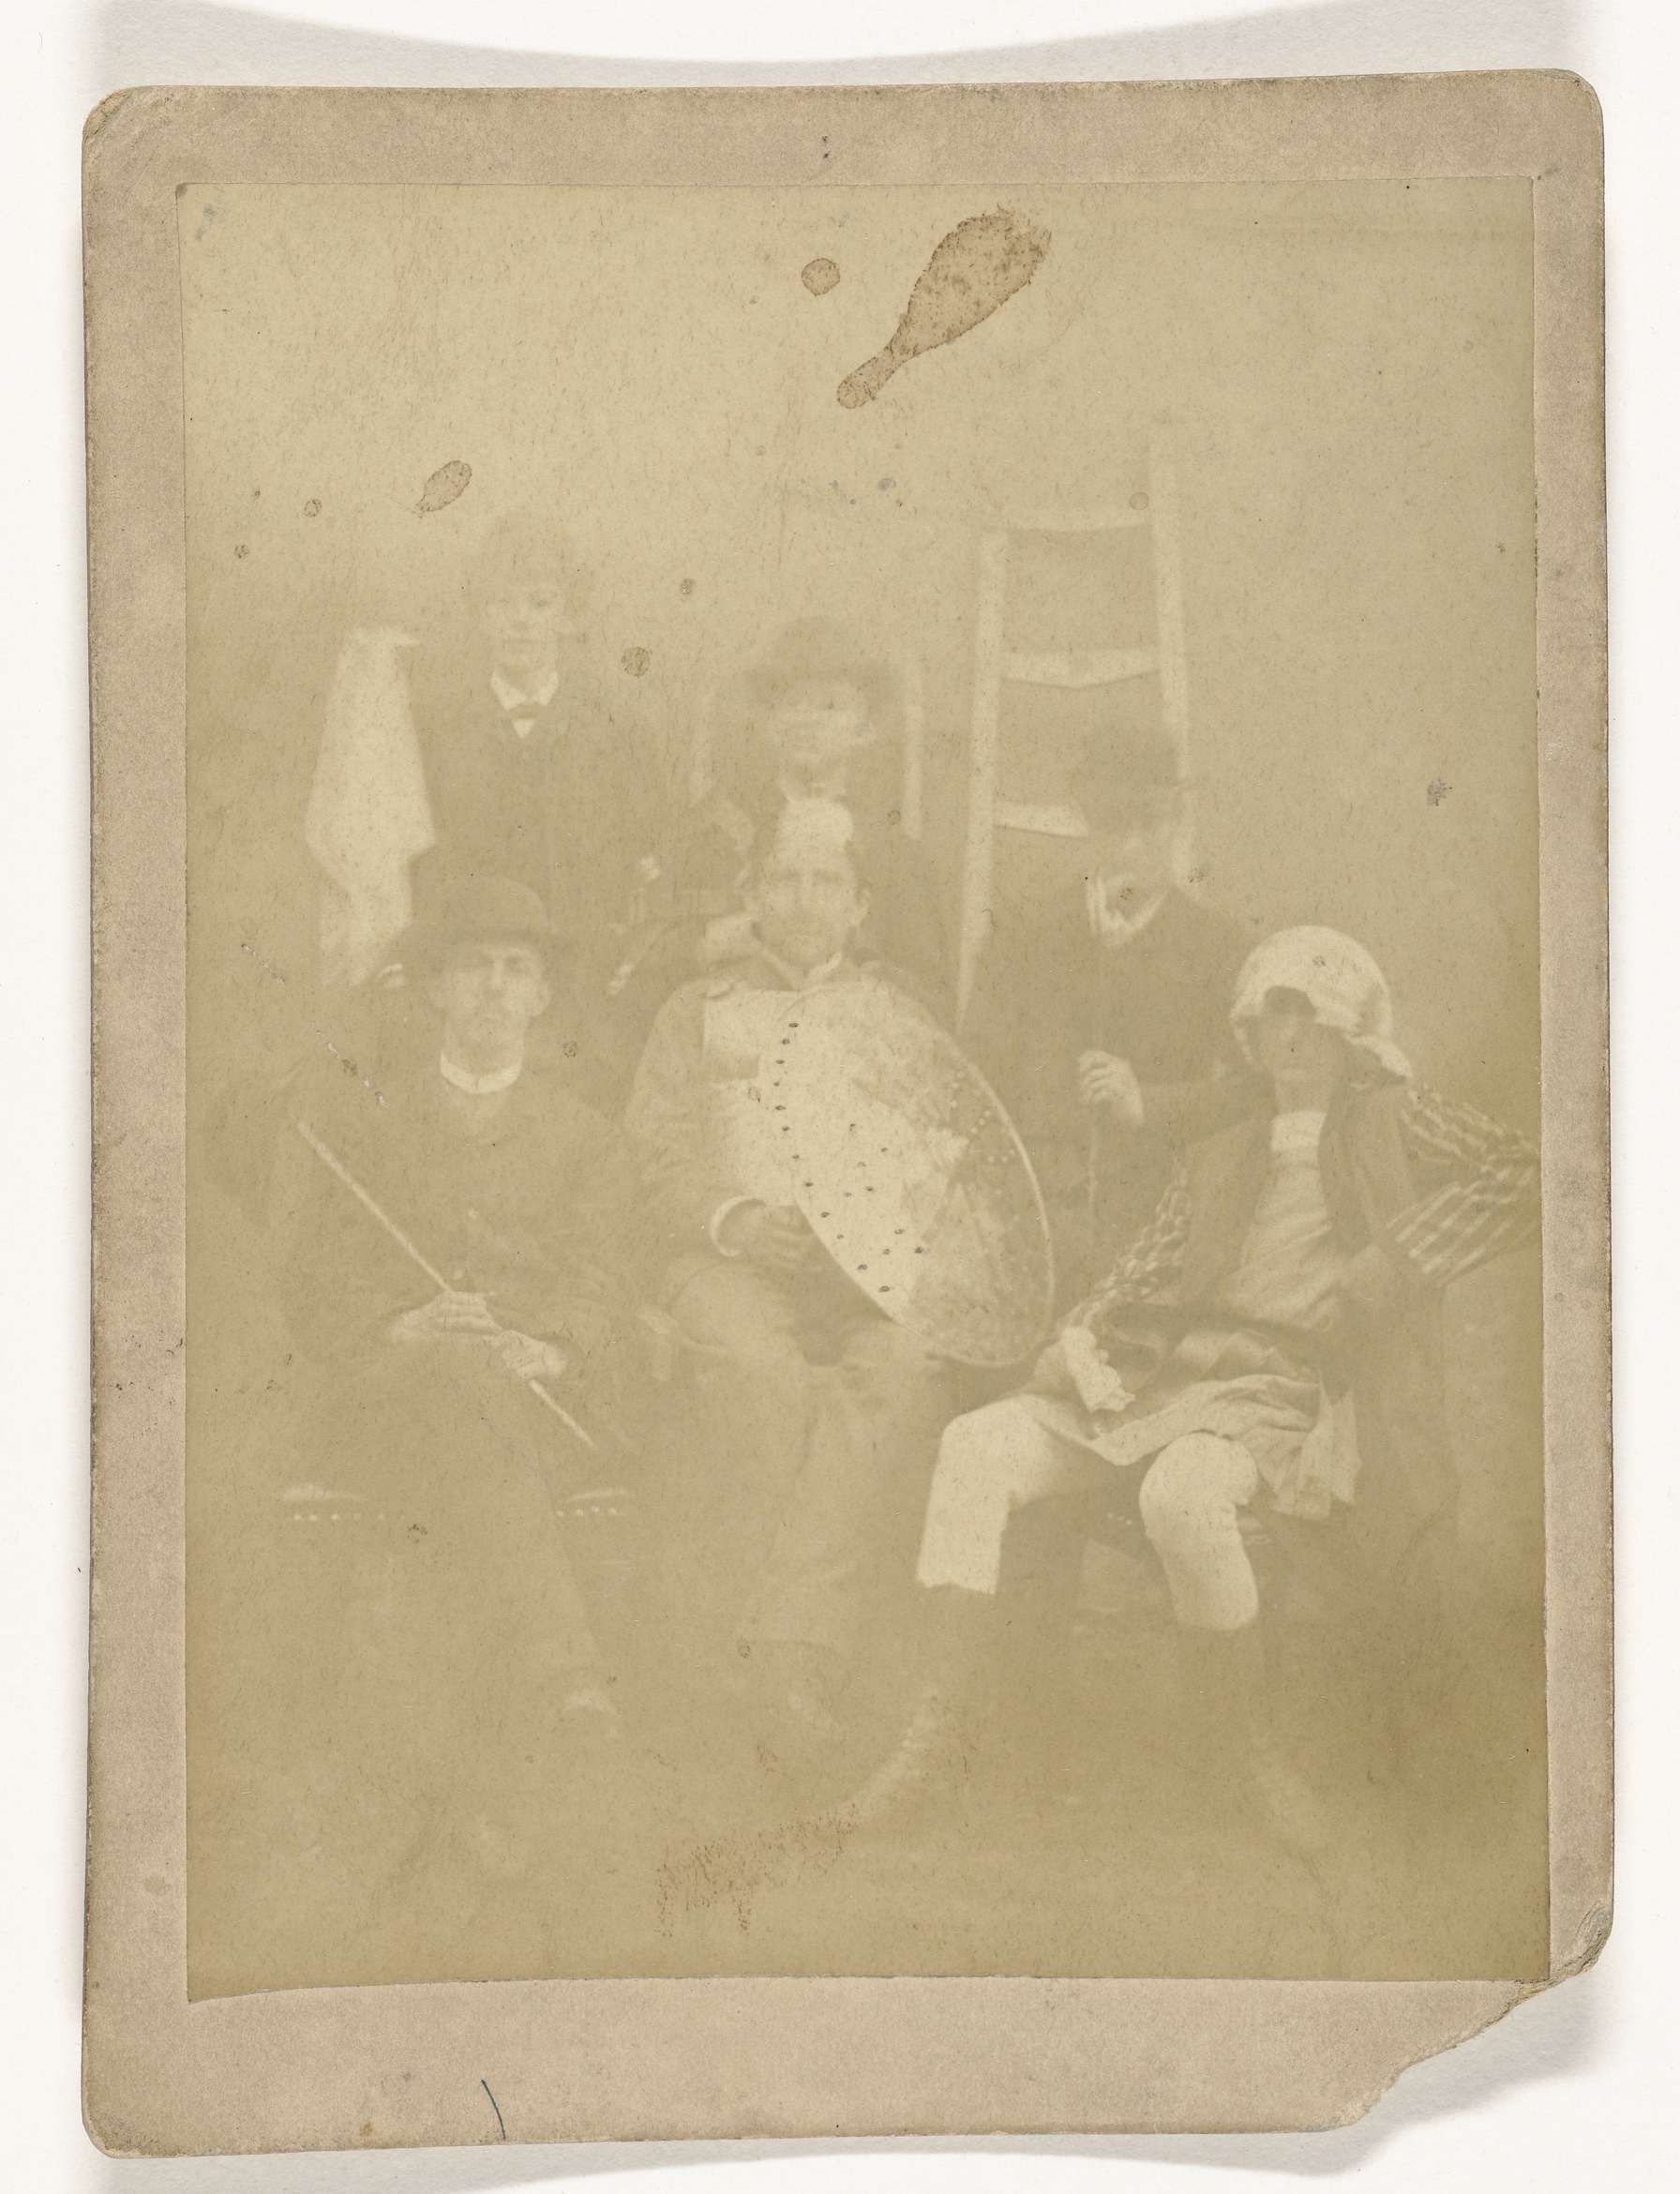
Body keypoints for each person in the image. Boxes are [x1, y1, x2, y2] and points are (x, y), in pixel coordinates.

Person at [832, 926, 1539, 1844]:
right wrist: (1077, 1338)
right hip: (1173, 1373)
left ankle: (1245, 1761)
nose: (1291, 1037)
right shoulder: (1222, 1148)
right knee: (975, 1446)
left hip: (1293, 1389)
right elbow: (1146, 1267)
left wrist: (1396, 1259)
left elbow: (1526, 1173)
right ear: (1250, 1033)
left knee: (1183, 1492)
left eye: (1311, 1018)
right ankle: (932, 1743)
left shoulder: (1398, 1118)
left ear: (1348, 1035)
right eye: (1273, 1017)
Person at [266, 874, 646, 1895]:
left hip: (532, 1402)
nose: (493, 988)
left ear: (542, 999)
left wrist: (548, 1349)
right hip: (392, 1393)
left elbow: (603, 1279)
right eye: (474, 967)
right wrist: (405, 1324)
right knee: (453, 1379)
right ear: (435, 988)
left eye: (516, 970)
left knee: (477, 1398)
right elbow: (319, 1271)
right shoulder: (367, 1122)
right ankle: (572, 1688)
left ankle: (454, 1788)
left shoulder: (586, 1136)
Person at [625, 798, 955, 1756]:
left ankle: (783, 1652)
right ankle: (784, 1661)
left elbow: (940, 1156)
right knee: (757, 1373)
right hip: (728, 1258)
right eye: (784, 879)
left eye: (826, 881)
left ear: (861, 905)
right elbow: (651, 1153)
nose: (805, 900)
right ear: (751, 894)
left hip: (864, 1271)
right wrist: (734, 1219)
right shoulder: (697, 1011)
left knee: (904, 1371)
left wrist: (880, 1227)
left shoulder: (898, 1017)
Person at [962, 721, 1250, 1300]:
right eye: (1115, 824)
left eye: (1152, 823)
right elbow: (975, 1081)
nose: (1134, 846)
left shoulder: (1219, 950)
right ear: (1087, 825)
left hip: (1156, 1223)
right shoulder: (1024, 935)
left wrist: (1150, 1103)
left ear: (1178, 822)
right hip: (1031, 1217)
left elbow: (1252, 1095)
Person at [613, 618, 949, 1023]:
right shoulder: (708, 833)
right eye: (792, 703)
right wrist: (710, 942)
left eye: (829, 706)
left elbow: (928, 1002)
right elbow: (637, 970)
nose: (807, 719)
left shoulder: (892, 855)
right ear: (768, 720)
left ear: (866, 728)